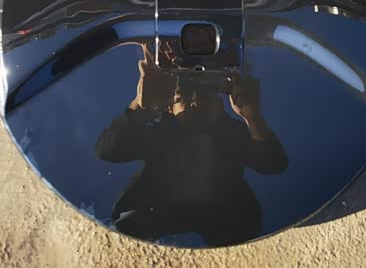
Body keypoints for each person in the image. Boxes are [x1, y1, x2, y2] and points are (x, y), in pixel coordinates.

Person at [95, 44, 288, 246]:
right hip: (151, 217)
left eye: (204, 95)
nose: (195, 102)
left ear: (220, 106)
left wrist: (252, 117)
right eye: (184, 97)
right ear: (170, 109)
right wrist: (140, 107)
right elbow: (108, 150)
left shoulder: (233, 135)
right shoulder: (158, 133)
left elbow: (273, 163)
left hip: (226, 223)